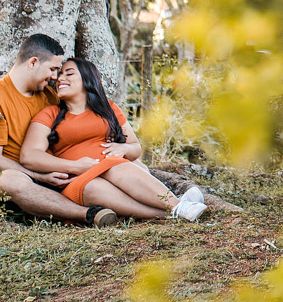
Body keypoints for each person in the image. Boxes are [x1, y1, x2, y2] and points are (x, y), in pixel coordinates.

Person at [20, 57, 207, 221]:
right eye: (59, 75)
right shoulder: (50, 114)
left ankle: (174, 211)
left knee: (115, 166)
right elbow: (29, 156)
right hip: (77, 180)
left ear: (87, 78)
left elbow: (135, 147)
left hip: (115, 170)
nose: (60, 79)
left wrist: (123, 149)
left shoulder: (108, 109)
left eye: (69, 74)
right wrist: (75, 166)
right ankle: (177, 206)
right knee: (93, 185)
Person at [0, 33, 118, 227]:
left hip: (57, 172)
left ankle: (158, 207)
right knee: (8, 181)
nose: (55, 77)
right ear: (33, 63)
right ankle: (88, 215)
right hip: (24, 182)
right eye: (53, 69)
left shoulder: (48, 95)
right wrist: (39, 176)